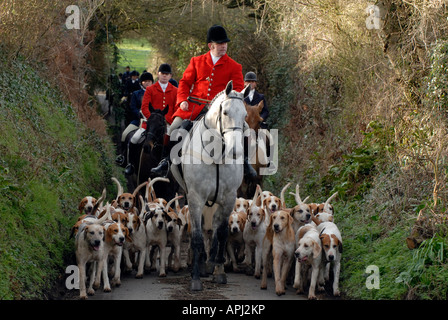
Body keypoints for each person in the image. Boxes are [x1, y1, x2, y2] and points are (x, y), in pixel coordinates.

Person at [151, 25, 257, 178]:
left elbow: (239, 90)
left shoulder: (234, 66)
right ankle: (165, 161)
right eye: (220, 44)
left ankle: (245, 162)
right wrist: (182, 100)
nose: (223, 46)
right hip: (193, 106)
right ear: (210, 45)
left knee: (246, 129)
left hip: (221, 108)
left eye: (225, 43)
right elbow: (185, 83)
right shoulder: (196, 61)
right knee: (173, 128)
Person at [115, 72, 154, 171]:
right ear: (141, 82)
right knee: (124, 134)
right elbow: (132, 107)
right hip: (139, 120)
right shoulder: (136, 94)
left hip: (153, 122)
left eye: (149, 81)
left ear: (152, 82)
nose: (147, 83)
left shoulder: (155, 93)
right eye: (145, 81)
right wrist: (140, 114)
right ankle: (124, 158)